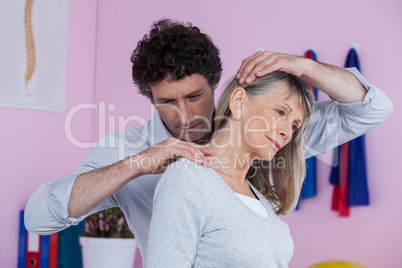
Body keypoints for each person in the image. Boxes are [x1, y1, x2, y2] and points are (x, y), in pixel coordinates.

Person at [24, 18, 393, 262]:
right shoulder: (131, 152)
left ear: (217, 87)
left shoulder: (266, 134)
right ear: (150, 99)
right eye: (167, 102)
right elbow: (39, 217)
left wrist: (305, 67)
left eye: (194, 96)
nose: (184, 116)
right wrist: (139, 164)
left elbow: (372, 109)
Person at [146, 71, 315, 267]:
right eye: (280, 112)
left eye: (295, 125)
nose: (287, 132)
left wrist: (304, 66)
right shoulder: (187, 180)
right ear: (239, 102)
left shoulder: (260, 198)